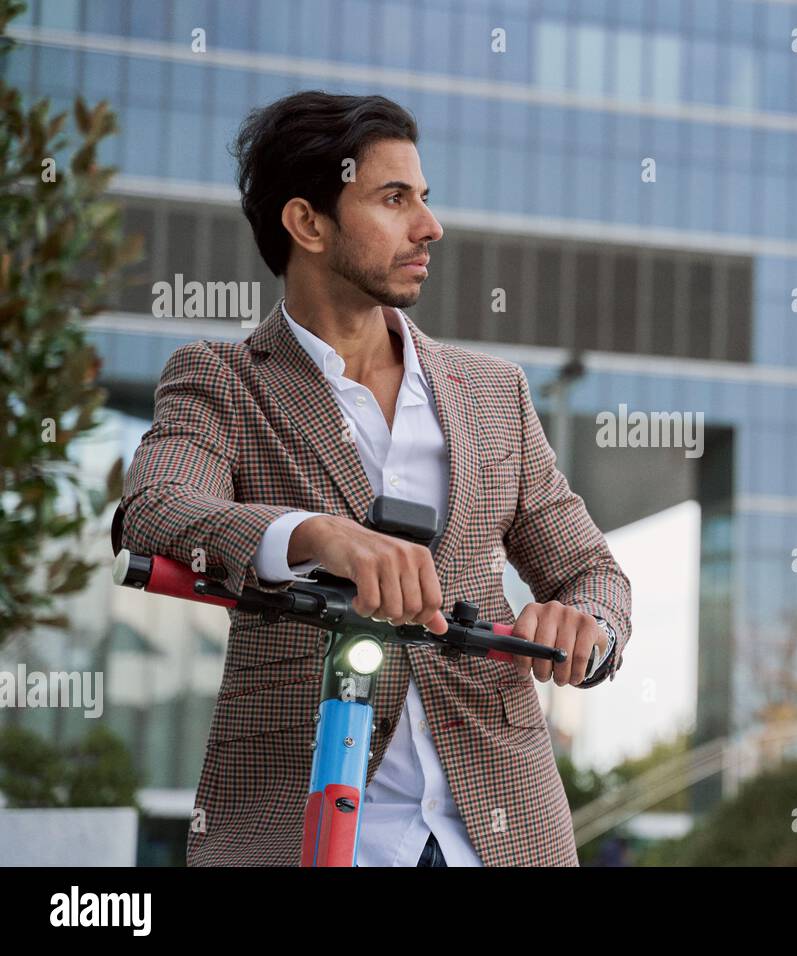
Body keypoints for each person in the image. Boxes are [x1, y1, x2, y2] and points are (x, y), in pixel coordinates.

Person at [116, 91, 632, 867]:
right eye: (394, 199)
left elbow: (591, 571)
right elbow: (154, 510)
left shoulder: (494, 392)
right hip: (297, 829)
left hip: (501, 834)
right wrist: (317, 537)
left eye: (424, 199)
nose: (430, 226)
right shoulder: (220, 380)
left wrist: (585, 624)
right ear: (308, 223)